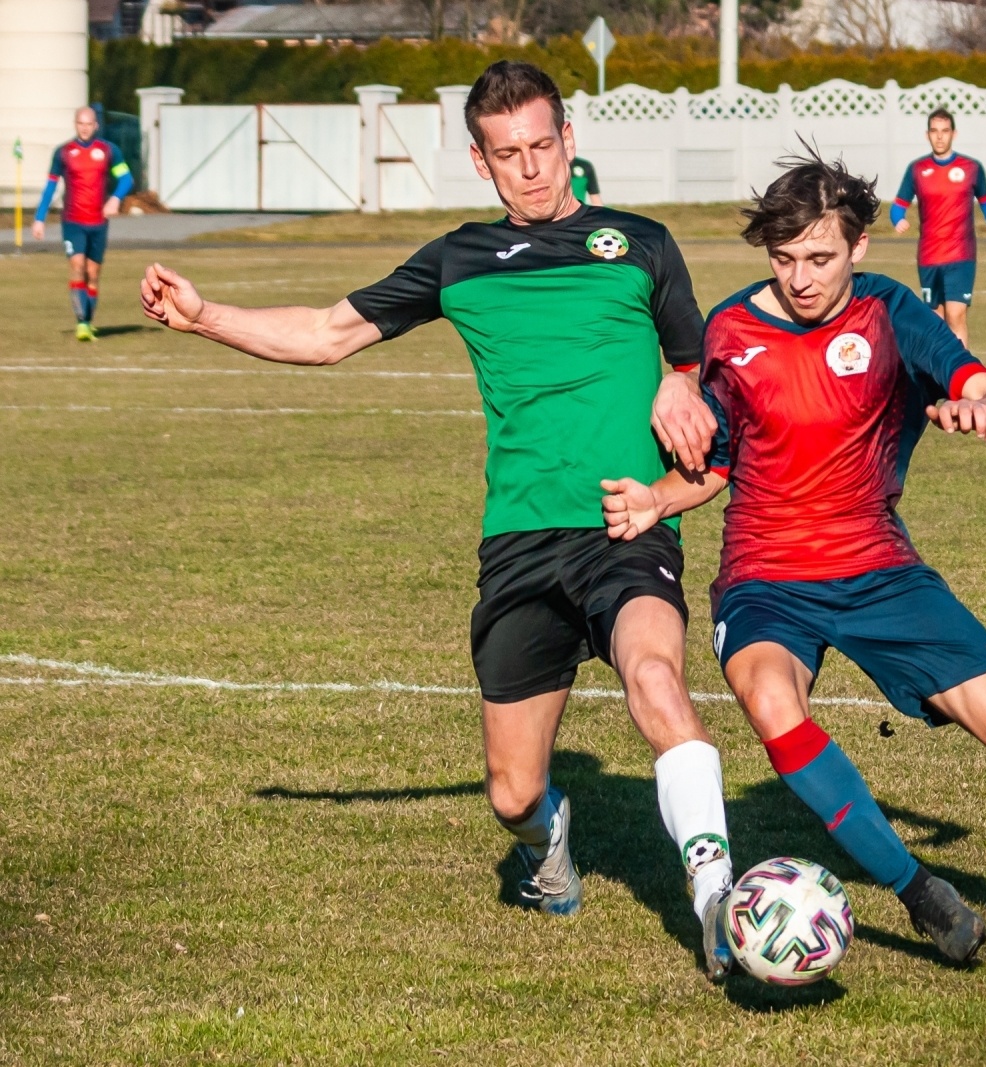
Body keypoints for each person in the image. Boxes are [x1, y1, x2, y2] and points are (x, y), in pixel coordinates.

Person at [139, 61, 742, 981]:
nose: (532, 169)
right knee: (510, 792)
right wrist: (204, 316)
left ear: (569, 142)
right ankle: (548, 836)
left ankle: (719, 902)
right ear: (481, 161)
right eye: (509, 154)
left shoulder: (642, 243)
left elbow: (694, 368)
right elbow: (326, 335)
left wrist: (677, 379)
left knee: (655, 678)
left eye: (544, 146)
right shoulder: (459, 259)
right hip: (519, 543)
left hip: (627, 522)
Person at [601, 151, 986, 965]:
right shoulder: (730, 332)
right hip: (766, 575)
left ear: (860, 245)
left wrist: (985, 415)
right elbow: (720, 464)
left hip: (879, 567)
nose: (801, 277)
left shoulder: (890, 313)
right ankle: (921, 893)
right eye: (784, 258)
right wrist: (657, 499)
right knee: (770, 700)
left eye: (820, 258)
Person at [889, 108, 986, 346]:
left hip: (961, 254)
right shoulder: (917, 170)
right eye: (934, 131)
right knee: (935, 322)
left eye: (945, 131)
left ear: (954, 133)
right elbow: (897, 206)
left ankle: (961, 376)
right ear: (927, 135)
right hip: (929, 256)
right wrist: (898, 219)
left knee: (956, 315)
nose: (940, 136)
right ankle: (940, 378)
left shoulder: (971, 168)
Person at [32, 106, 133, 342]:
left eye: (89, 124)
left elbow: (126, 178)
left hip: (98, 221)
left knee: (93, 273)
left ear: (96, 125)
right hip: (72, 221)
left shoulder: (109, 150)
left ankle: (88, 319)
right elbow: (50, 186)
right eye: (81, 123)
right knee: (77, 265)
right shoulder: (63, 153)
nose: (85, 128)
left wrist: (115, 199)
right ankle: (82, 324)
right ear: (75, 124)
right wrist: (39, 218)